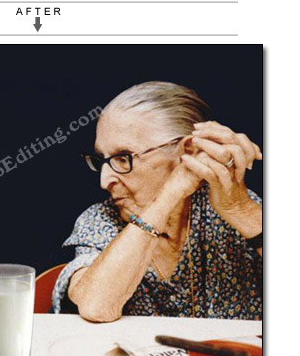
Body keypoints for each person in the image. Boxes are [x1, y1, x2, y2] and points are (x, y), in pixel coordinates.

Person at [52, 82, 262, 321]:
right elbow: (96, 307)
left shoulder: (233, 209)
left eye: (123, 158)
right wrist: (170, 193)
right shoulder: (100, 220)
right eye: (102, 159)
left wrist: (239, 208)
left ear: (188, 152)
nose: (104, 180)